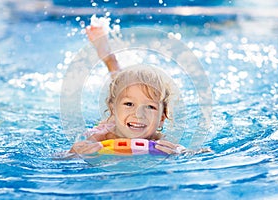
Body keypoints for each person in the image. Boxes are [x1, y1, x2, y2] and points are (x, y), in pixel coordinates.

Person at [69, 20, 210, 155]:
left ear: (162, 117)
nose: (139, 114)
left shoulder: (160, 140)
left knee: (126, 90)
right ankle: (108, 57)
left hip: (123, 114)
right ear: (112, 109)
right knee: (120, 85)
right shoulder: (103, 136)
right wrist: (74, 152)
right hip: (115, 120)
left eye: (150, 107)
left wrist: (181, 151)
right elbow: (59, 158)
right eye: (129, 104)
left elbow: (203, 152)